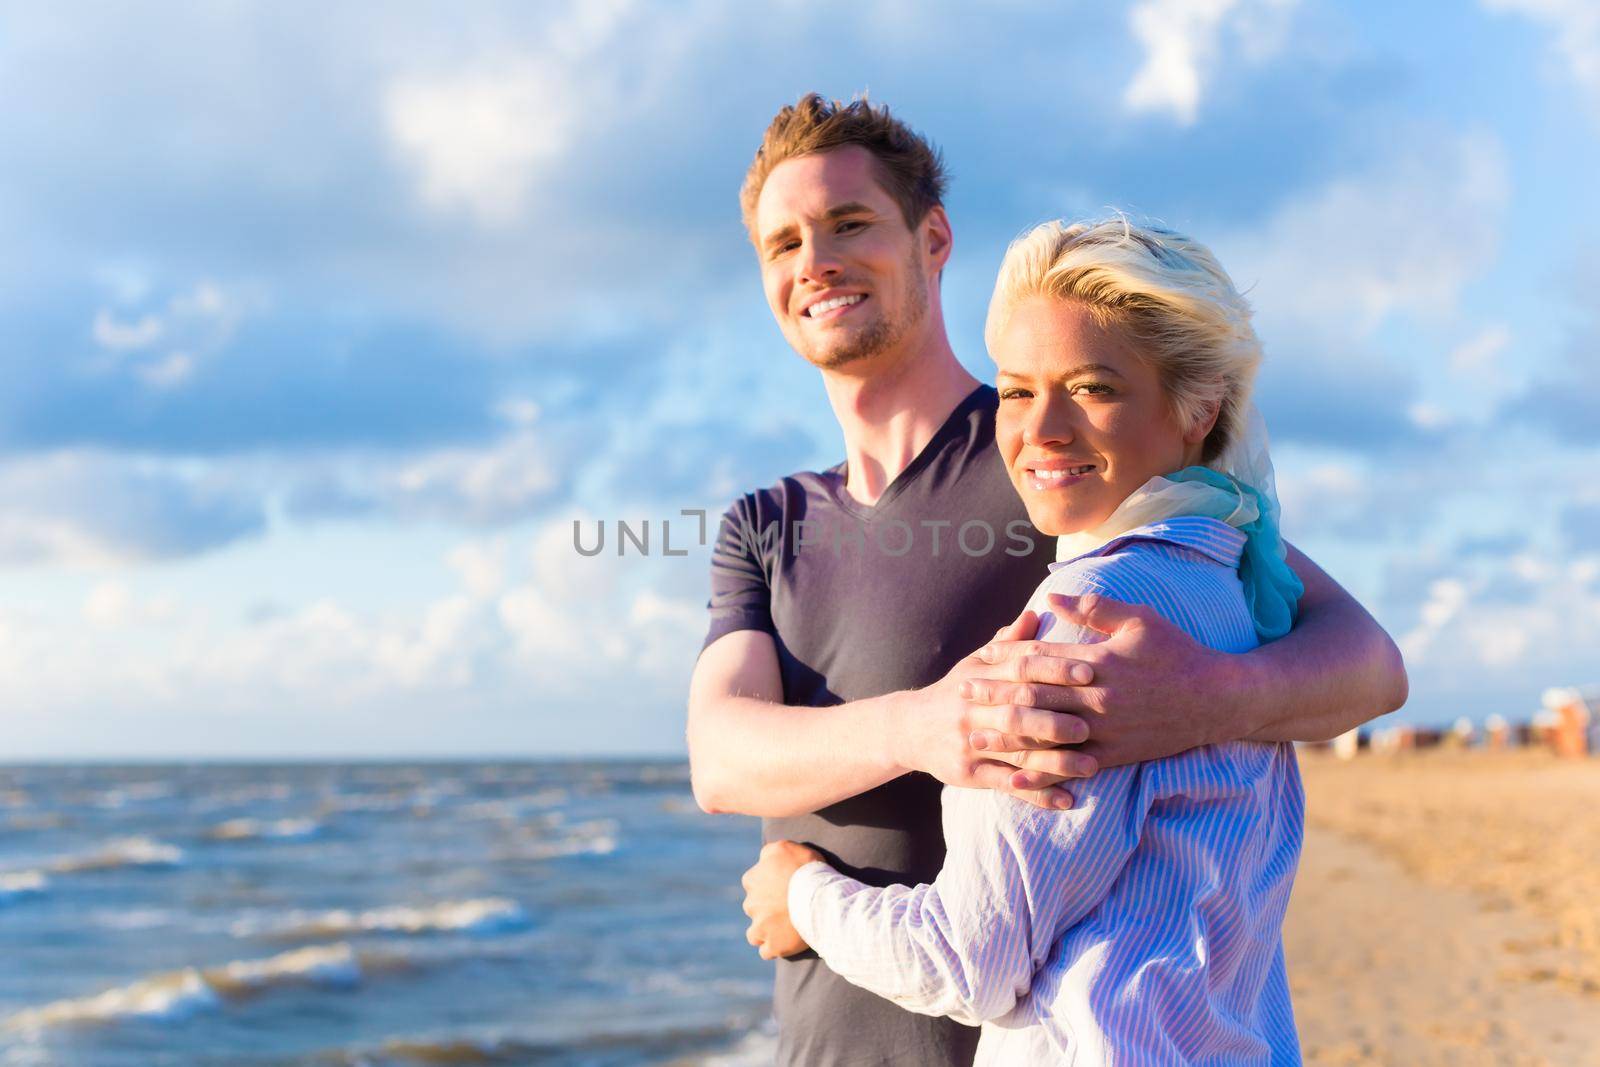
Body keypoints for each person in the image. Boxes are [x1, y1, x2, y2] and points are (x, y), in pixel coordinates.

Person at [688, 94, 1405, 1067]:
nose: (813, 259)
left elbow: (1363, 659)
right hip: (825, 1037)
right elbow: (720, 757)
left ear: (931, 238)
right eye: (783, 241)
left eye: (849, 222)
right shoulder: (764, 521)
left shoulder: (1065, 469)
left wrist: (1207, 695)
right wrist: (932, 722)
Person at [742, 216, 1310, 1064]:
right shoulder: (1233, 589)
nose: (1040, 427)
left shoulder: (1088, 615)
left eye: (1092, 387)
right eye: (1015, 389)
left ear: (1198, 408)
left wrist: (802, 895)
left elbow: (967, 960)